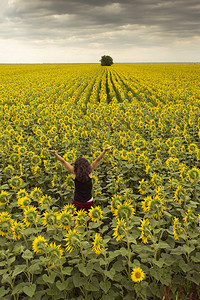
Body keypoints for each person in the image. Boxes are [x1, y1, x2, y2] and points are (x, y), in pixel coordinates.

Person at [47, 146, 113, 211]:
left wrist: (55, 154)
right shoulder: (89, 171)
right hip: (89, 202)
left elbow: (63, 161)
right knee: (88, 220)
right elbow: (98, 159)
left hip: (77, 202)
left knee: (77, 220)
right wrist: (104, 151)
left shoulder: (74, 172)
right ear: (87, 165)